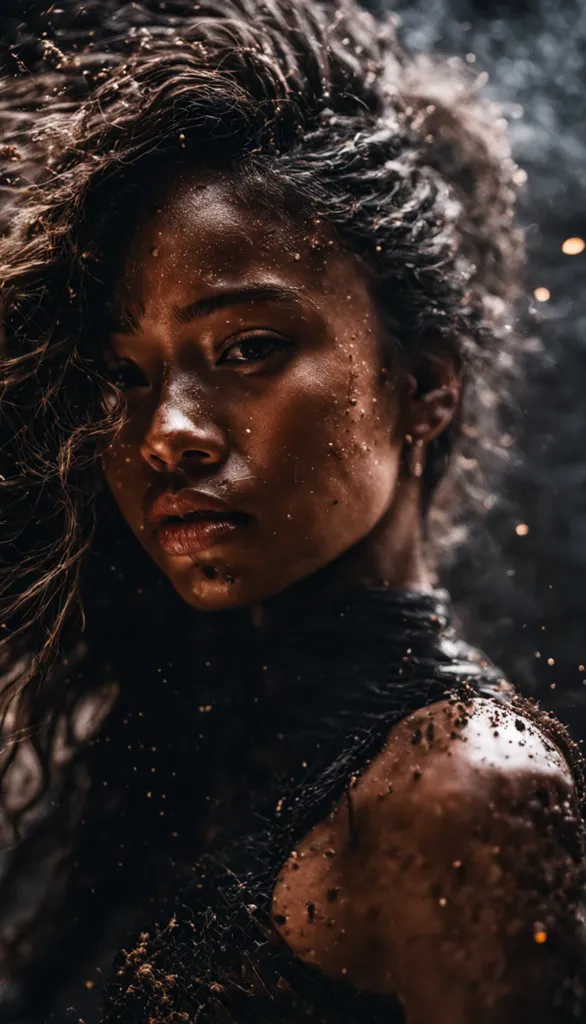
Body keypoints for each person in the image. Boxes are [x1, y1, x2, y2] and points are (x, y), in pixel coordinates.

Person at [0, 0, 583, 1021]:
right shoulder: (171, 741)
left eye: (248, 348)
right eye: (127, 374)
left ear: (423, 383)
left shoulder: (465, 791)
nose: (165, 432)